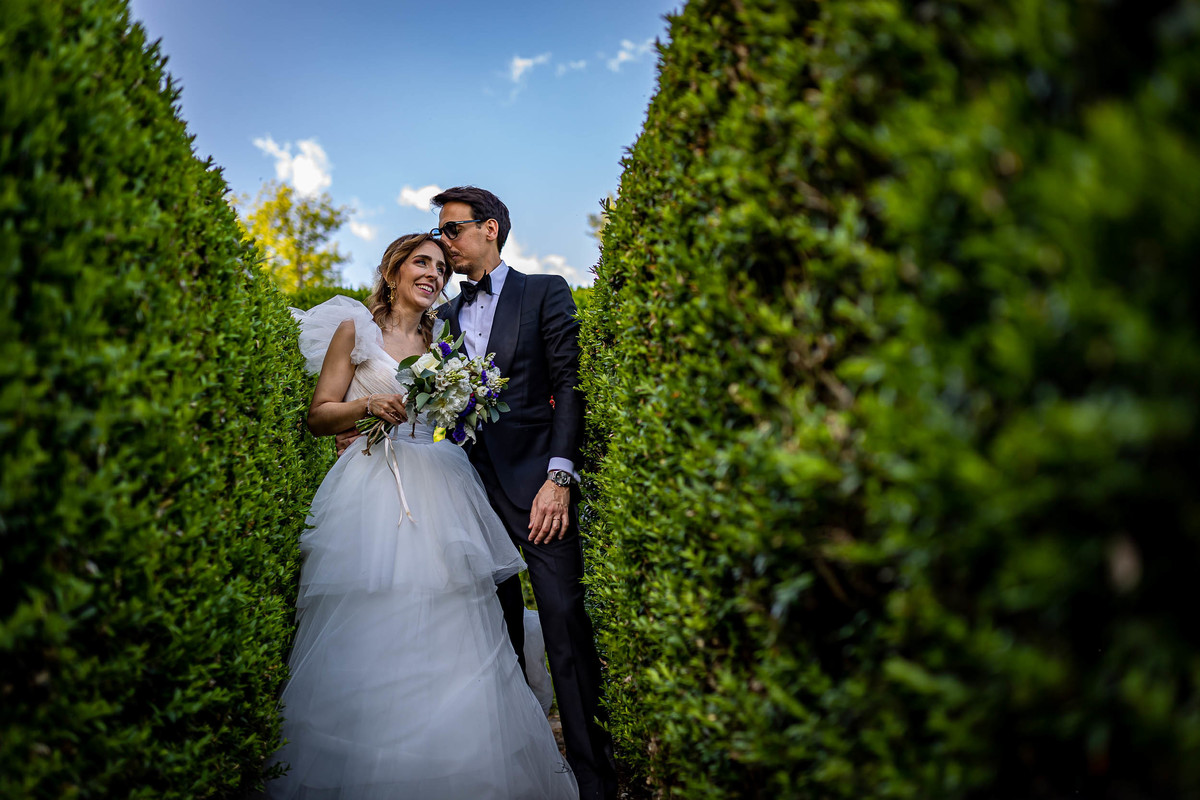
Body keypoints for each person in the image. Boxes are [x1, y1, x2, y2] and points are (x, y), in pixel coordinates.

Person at [267, 232, 577, 799]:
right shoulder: (354, 330)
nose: (434, 273)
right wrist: (367, 406)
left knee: (455, 616)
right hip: (373, 488)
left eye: (440, 267)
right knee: (376, 615)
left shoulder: (446, 338)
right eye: (421, 263)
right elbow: (319, 416)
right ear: (393, 271)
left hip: (441, 484)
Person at [432, 186, 617, 800]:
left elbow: (570, 384)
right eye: (438, 233)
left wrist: (559, 479)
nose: (444, 243)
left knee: (564, 623)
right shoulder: (443, 317)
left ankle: (595, 780)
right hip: (466, 489)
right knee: (492, 632)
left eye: (452, 229)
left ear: (489, 229)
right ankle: (516, 775)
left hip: (539, 488)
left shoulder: (544, 291)